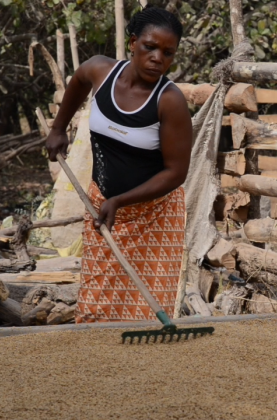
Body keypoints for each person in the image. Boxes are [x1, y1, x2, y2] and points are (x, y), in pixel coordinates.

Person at [45, 6, 192, 322]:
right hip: (102, 205)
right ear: (134, 42)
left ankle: (143, 367)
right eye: (150, 47)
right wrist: (58, 128)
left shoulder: (170, 101)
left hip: (154, 215)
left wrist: (121, 201)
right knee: (96, 305)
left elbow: (176, 173)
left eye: (168, 53)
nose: (157, 58)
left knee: (143, 310)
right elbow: (79, 79)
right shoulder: (101, 71)